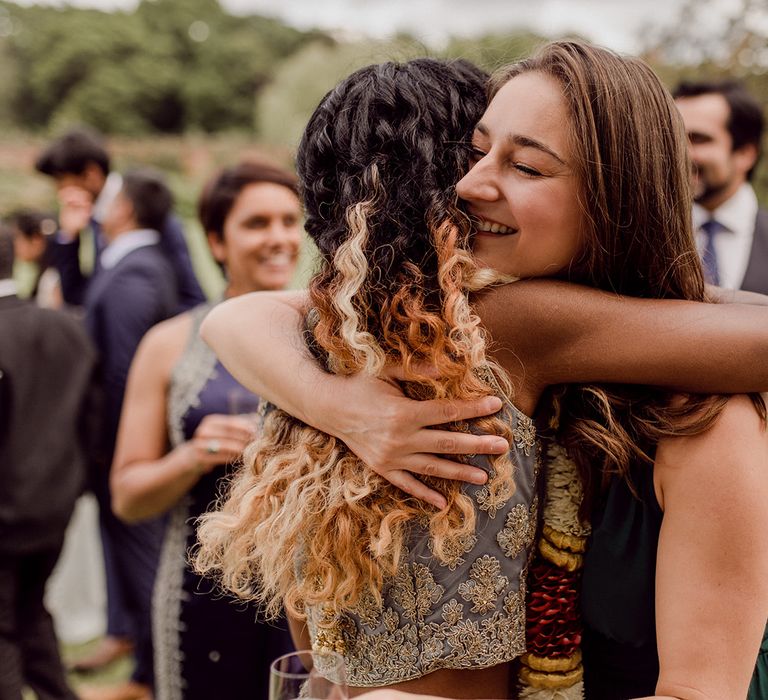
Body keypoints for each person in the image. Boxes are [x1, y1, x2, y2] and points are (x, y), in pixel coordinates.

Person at [199, 43, 768, 700]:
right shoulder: (484, 342)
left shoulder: (699, 417)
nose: (468, 186)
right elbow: (247, 316)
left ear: (618, 197)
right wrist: (343, 407)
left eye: (525, 164)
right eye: (476, 152)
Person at [109, 161, 300, 700]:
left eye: (290, 221)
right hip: (202, 599)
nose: (280, 238)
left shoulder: (331, 336)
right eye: (257, 223)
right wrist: (193, 455)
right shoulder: (168, 344)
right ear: (216, 240)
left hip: (314, 595)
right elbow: (126, 498)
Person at [79, 168, 179, 700]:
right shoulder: (125, 263)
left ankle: (150, 675)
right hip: (113, 445)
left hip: (120, 446)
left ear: (126, 209)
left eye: (109, 194)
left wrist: (111, 449)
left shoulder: (136, 275)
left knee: (143, 561)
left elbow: (122, 374)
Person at [0, 223, 97, 700]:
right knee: (30, 611)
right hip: (56, 509)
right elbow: (92, 416)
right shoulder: (65, 326)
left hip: (6, 515)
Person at [35, 126, 205, 313]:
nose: (59, 192)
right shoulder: (90, 219)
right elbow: (81, 296)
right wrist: (69, 238)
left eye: (61, 182)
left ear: (90, 174)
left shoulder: (146, 206)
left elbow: (191, 297)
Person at [674, 79, 768, 294]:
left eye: (698, 139)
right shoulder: (643, 239)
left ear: (746, 153)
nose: (680, 153)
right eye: (674, 138)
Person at [8, 208, 62, 308]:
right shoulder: (44, 268)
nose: (15, 246)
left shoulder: (53, 277)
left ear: (36, 239)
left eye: (17, 239)